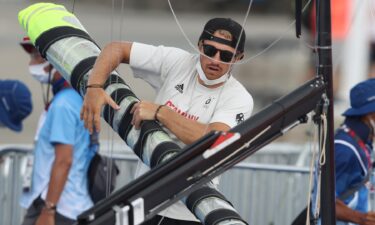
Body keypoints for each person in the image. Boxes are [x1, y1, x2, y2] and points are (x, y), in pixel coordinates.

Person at [81, 18, 253, 225]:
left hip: (187, 212)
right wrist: (94, 87)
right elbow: (116, 49)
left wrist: (161, 112)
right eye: (210, 50)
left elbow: (214, 140)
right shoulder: (177, 61)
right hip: (144, 202)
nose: (216, 60)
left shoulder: (239, 97)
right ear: (200, 45)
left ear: (238, 57)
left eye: (226, 55)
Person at [19, 39, 96, 225]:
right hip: (66, 204)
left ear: (57, 62)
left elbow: (64, 160)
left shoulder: (63, 104)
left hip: (58, 207)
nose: (32, 62)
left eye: (37, 56)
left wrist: (48, 211)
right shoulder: (74, 99)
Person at [292, 79, 375, 225]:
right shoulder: (344, 148)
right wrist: (362, 219)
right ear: (368, 114)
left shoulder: (359, 142)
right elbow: (325, 201)